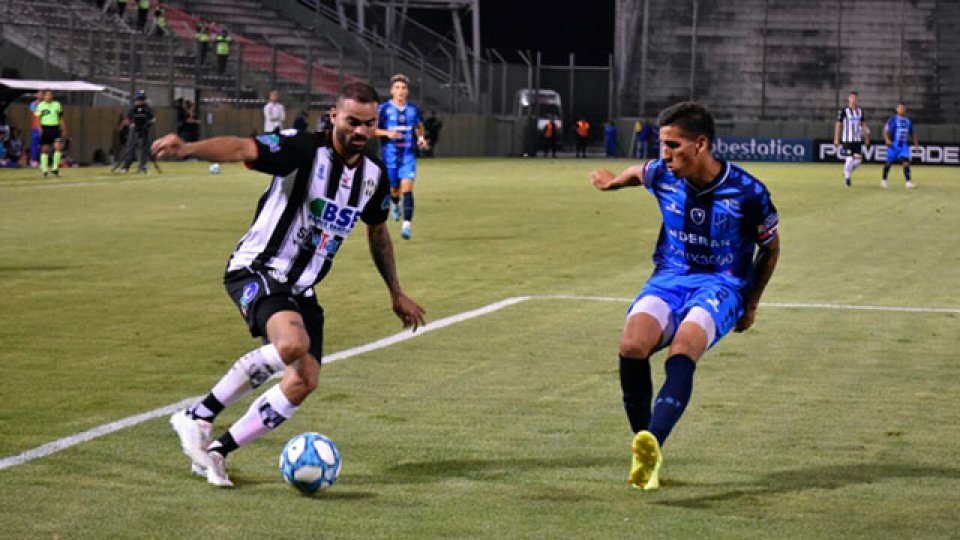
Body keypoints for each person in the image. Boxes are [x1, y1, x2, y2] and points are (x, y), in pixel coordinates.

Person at [152, 82, 426, 488]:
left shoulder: (373, 175)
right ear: (334, 117)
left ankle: (216, 453)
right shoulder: (303, 149)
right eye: (353, 121)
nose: (362, 132)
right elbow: (245, 148)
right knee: (292, 346)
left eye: (369, 124)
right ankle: (197, 416)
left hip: (302, 288)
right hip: (258, 267)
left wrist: (395, 290)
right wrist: (189, 148)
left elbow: (377, 231)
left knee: (304, 379)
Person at [590, 101, 780, 491]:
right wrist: (612, 184)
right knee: (631, 345)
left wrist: (752, 303)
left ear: (701, 144)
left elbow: (771, 248)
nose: (665, 153)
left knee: (684, 348)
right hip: (670, 278)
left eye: (673, 145)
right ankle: (644, 449)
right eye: (662, 144)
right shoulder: (663, 173)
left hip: (722, 285)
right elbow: (637, 173)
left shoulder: (748, 192)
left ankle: (654, 442)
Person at [376, 73, 428, 240]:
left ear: (407, 91)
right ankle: (395, 203)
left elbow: (419, 126)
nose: (400, 91)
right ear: (392, 90)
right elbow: (372, 129)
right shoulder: (383, 109)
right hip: (389, 157)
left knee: (407, 188)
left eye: (404, 88)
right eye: (397, 88)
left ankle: (406, 225)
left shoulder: (412, 110)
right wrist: (387, 133)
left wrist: (420, 139)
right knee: (394, 189)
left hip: (408, 155)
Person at [834, 90, 870, 188]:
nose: (853, 100)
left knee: (858, 161)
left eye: (855, 98)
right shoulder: (843, 111)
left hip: (857, 140)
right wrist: (836, 139)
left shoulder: (860, 111)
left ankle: (846, 171)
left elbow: (863, 124)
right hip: (847, 140)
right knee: (849, 159)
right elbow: (838, 124)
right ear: (849, 99)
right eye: (852, 98)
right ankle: (847, 179)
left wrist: (866, 137)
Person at [881, 103, 919, 189]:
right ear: (897, 110)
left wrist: (916, 145)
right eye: (900, 108)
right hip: (893, 145)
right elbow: (885, 130)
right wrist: (887, 139)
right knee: (888, 163)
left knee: (906, 162)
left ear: (905, 110)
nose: (901, 109)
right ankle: (884, 180)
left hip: (903, 146)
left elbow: (912, 133)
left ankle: (908, 182)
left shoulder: (908, 121)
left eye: (903, 108)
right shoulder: (893, 120)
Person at [117, 90, 155, 173]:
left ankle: (142, 166)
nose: (140, 101)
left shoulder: (148, 108)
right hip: (134, 129)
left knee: (144, 148)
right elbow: (127, 118)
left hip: (144, 129)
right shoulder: (132, 108)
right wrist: (132, 124)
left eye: (142, 99)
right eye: (139, 99)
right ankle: (126, 166)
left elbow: (152, 119)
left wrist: (147, 124)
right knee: (130, 147)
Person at [34, 89, 67, 177]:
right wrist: (40, 128)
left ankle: (55, 168)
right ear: (44, 96)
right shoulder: (40, 105)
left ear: (52, 96)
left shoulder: (57, 104)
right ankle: (44, 169)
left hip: (55, 128)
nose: (48, 96)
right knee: (44, 149)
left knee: (58, 147)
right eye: (46, 95)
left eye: (50, 95)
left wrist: (63, 128)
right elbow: (37, 119)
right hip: (45, 128)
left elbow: (60, 117)